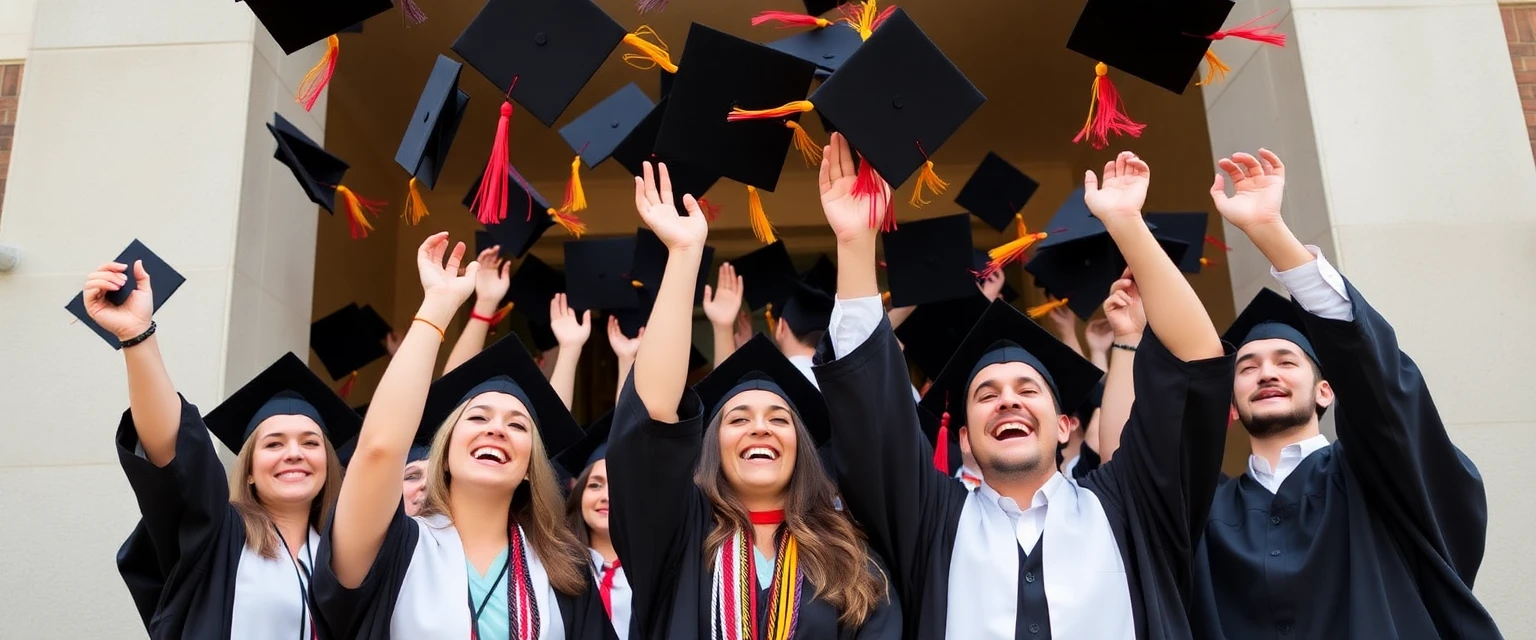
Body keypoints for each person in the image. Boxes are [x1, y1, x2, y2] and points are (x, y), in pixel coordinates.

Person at [816, 138, 1233, 638]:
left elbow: (1195, 368)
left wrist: (1128, 227)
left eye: (1027, 390)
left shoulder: (1131, 505)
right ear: (965, 437)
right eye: (986, 395)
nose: (1008, 399)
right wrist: (855, 244)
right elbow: (871, 409)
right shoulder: (931, 521)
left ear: (1064, 425)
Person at [1191, 149, 1503, 638]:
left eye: (1287, 361)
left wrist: (1271, 232)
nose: (1266, 372)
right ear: (1231, 403)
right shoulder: (1206, 511)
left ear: (1326, 390)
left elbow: (1380, 387)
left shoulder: (1375, 477)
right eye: (1247, 367)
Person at [607, 161, 900, 640]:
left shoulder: (849, 558)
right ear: (711, 445)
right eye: (737, 418)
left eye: (779, 419)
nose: (760, 427)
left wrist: (856, 244)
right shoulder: (676, 538)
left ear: (802, 445)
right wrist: (684, 253)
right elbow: (653, 418)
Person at [310, 232, 615, 639]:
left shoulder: (563, 572)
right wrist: (436, 308)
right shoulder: (394, 548)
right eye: (477, 418)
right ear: (445, 449)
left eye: (517, 424)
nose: (496, 429)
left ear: (531, 466)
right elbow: (379, 450)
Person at [88, 256, 358, 639]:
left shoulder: (350, 555)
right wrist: (137, 335)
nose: (294, 453)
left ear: (329, 463)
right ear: (248, 468)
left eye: (310, 442)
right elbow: (180, 458)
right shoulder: (219, 539)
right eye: (274, 443)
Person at [558, 414, 631, 639]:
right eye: (595, 485)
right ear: (579, 495)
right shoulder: (560, 568)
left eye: (618, 485)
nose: (606, 496)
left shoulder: (653, 573)